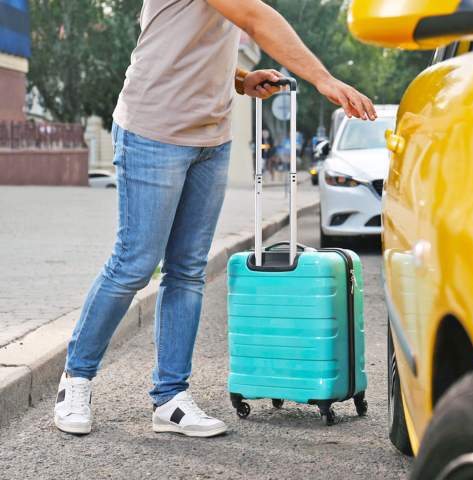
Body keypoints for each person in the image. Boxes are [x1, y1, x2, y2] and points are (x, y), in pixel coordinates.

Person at [53, 0, 376, 437]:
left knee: (187, 270)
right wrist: (325, 79)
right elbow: (256, 18)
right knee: (134, 263)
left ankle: (170, 399)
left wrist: (240, 80)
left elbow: (188, 40)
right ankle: (75, 378)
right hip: (155, 132)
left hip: (211, 136)